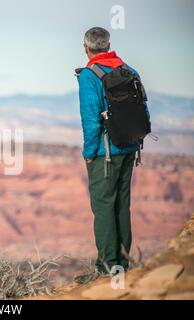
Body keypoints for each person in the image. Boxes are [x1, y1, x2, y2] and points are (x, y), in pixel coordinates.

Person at [74, 27, 149, 284]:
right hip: (129, 147)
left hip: (105, 153)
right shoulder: (129, 70)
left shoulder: (89, 75)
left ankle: (107, 270)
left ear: (86, 47)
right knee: (121, 206)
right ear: (108, 45)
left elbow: (91, 119)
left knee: (104, 207)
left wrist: (88, 153)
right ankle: (122, 266)